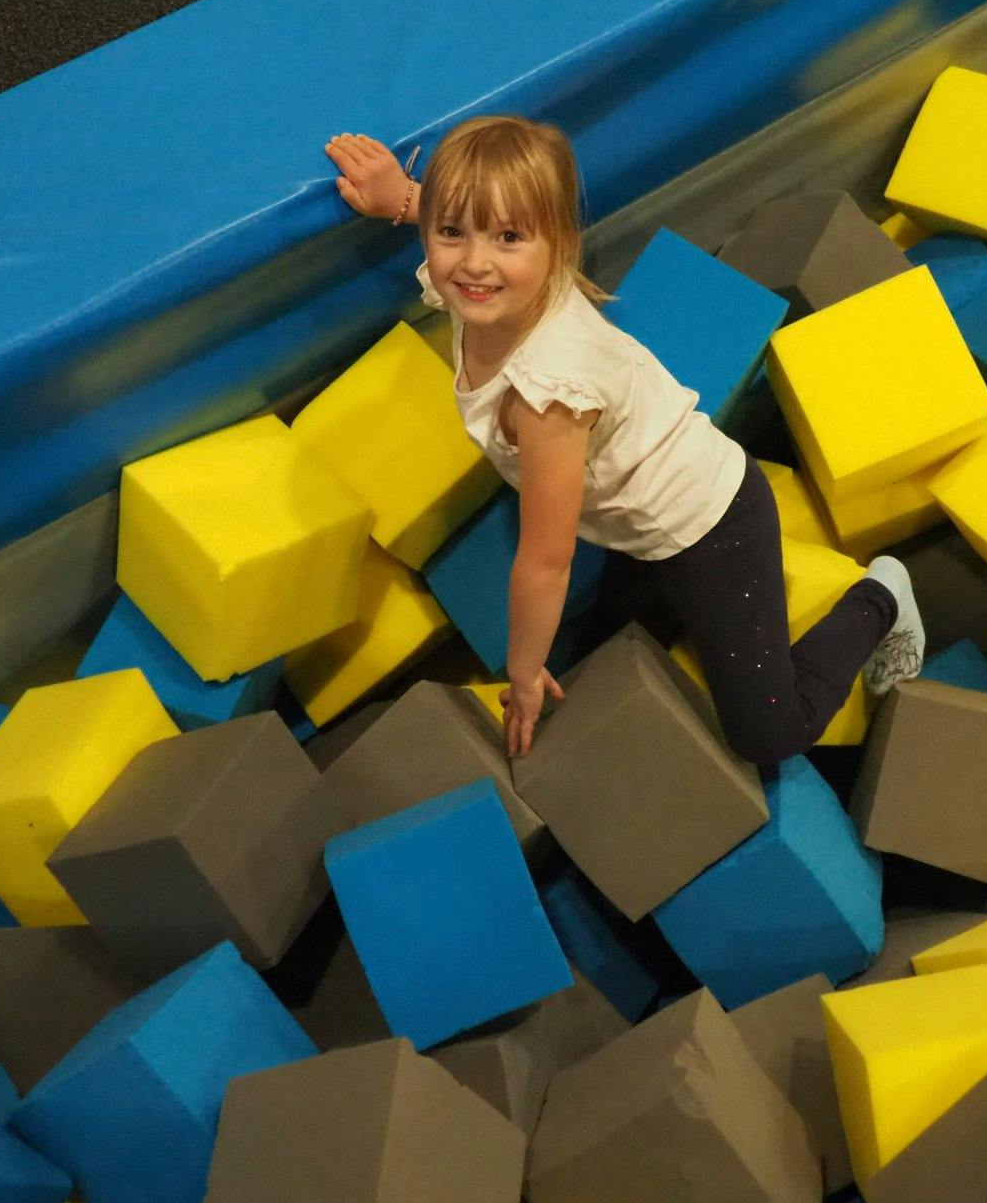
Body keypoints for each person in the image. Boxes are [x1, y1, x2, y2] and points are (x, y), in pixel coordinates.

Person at [323, 116, 924, 762]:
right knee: (608, 660)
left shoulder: (548, 394)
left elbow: (545, 561)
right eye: (450, 231)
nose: (473, 262)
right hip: (636, 525)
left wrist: (524, 676)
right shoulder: (492, 290)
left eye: (506, 238)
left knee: (768, 735)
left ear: (554, 246)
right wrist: (402, 201)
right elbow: (473, 224)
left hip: (712, 523)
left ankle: (882, 596)